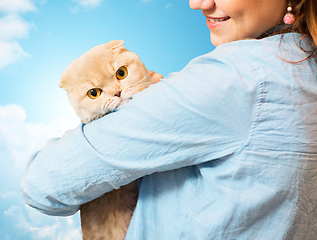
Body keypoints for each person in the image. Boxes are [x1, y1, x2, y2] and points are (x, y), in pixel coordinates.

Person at [22, 0, 317, 239]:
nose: (197, 3)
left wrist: (135, 112)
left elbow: (42, 184)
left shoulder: (237, 77)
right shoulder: (304, 66)